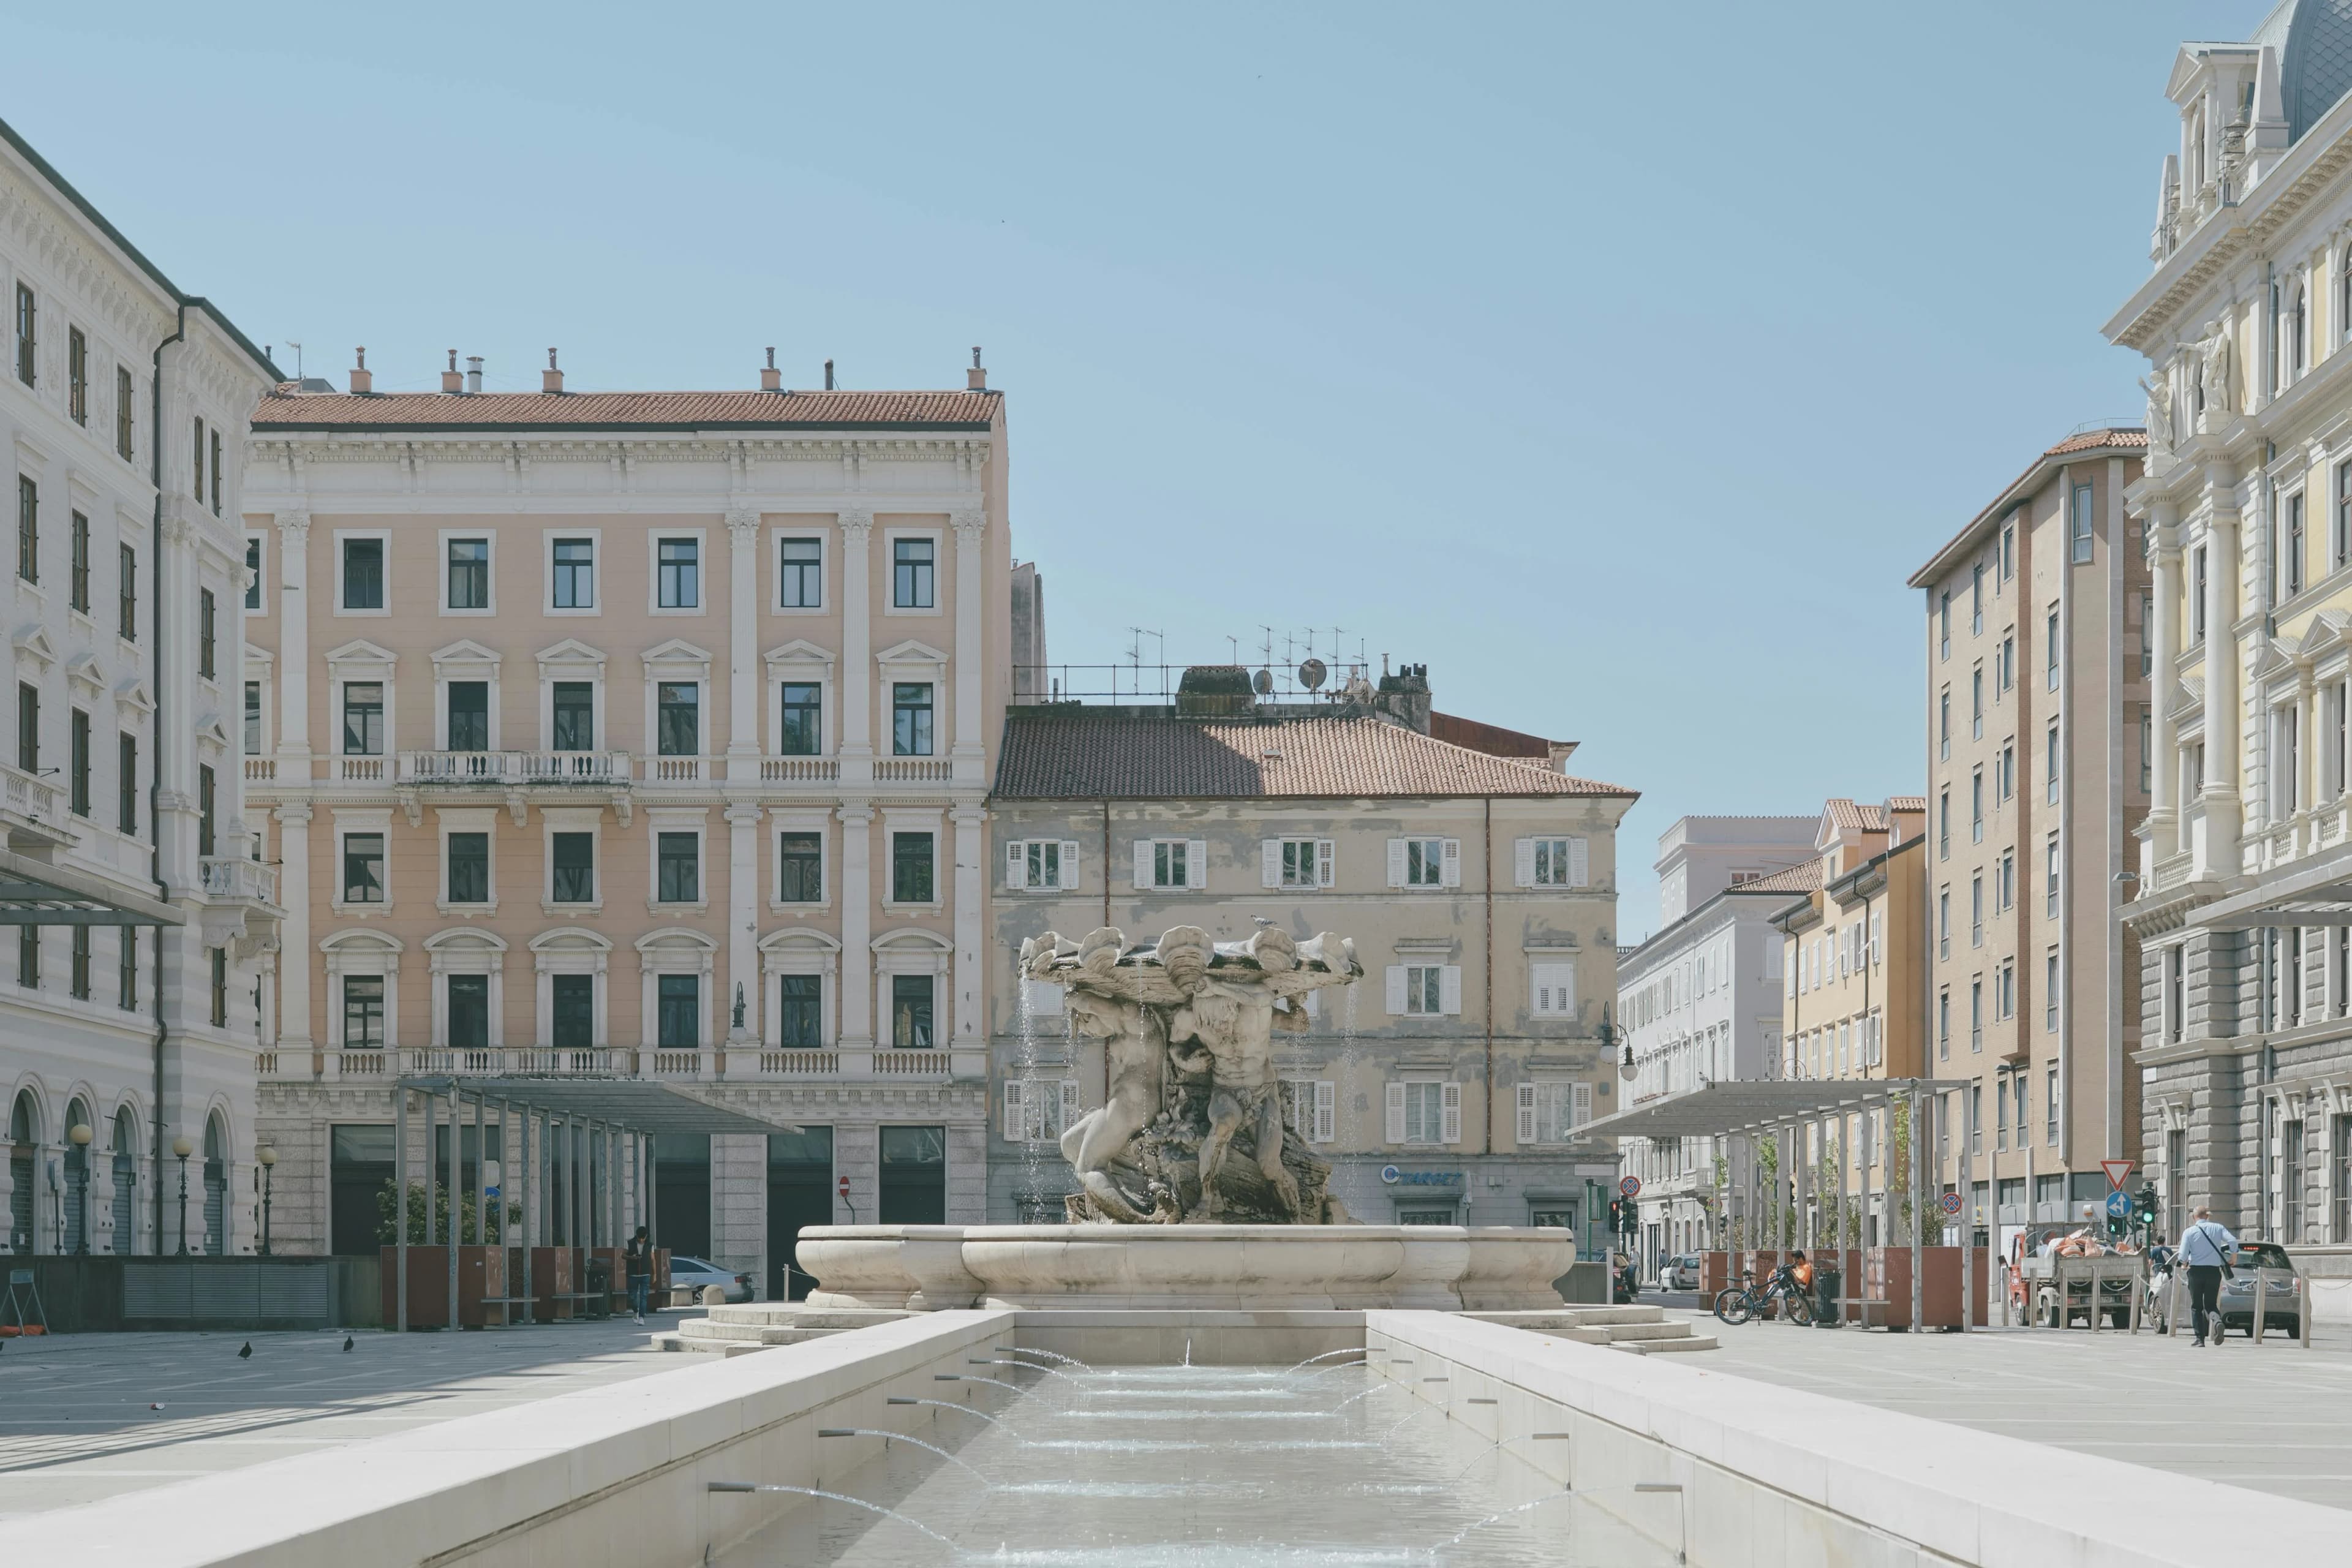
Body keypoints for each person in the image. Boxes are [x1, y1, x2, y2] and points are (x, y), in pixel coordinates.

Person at [2175, 1206, 2237, 1348]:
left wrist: (2184, 1263)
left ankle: (2199, 1339)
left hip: (2196, 1272)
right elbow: (2233, 1241)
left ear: (2193, 1217)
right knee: (2211, 1304)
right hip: (2213, 1272)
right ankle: (2217, 1321)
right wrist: (2234, 1258)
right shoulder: (2218, 1227)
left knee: (2196, 1306)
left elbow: (2183, 1256)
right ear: (2207, 1216)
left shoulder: (2189, 1232)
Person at [624, 1225, 654, 1325]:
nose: (641, 1240)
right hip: (633, 1274)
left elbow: (653, 1260)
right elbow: (623, 1255)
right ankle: (636, 1311)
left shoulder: (650, 1246)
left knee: (644, 1296)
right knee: (632, 1296)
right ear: (636, 1236)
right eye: (639, 1238)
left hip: (646, 1274)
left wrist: (655, 1274)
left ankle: (642, 1317)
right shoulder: (629, 1243)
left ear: (646, 1236)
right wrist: (632, 1258)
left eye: (643, 1238)